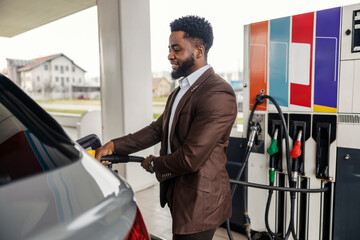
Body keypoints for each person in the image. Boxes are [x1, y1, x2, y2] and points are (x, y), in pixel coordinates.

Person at [95, 15, 237, 240]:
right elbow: (157, 129)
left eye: (176, 49)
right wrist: (115, 145)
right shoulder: (180, 89)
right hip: (180, 192)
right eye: (169, 48)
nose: (169, 55)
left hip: (201, 202)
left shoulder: (217, 93)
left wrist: (154, 164)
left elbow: (191, 157)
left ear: (199, 51)